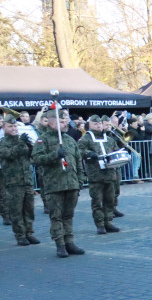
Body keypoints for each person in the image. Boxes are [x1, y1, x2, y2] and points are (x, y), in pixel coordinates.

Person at [32, 108, 85, 257]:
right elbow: (36, 159)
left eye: (65, 121)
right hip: (54, 184)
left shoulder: (68, 139)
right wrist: (55, 155)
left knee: (68, 215)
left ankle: (70, 242)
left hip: (71, 183)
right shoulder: (44, 139)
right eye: (61, 121)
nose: (65, 123)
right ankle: (60, 244)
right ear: (51, 122)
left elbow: (78, 161)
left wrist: (80, 180)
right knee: (57, 216)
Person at [78, 115, 123, 234]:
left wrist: (121, 148)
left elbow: (116, 150)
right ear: (90, 125)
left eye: (99, 124)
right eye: (95, 124)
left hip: (109, 173)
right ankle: (100, 224)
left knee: (109, 200)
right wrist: (89, 153)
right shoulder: (86, 138)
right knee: (97, 201)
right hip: (95, 175)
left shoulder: (109, 138)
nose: (98, 126)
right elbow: (79, 151)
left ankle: (108, 222)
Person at [0, 113, 40, 246]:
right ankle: (20, 235)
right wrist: (21, 144)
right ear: (4, 128)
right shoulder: (3, 143)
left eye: (15, 126)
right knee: (16, 210)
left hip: (27, 180)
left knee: (29, 209)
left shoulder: (22, 141)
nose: (14, 129)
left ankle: (29, 232)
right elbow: (9, 155)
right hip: (13, 182)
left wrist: (31, 147)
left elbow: (32, 157)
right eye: (10, 126)